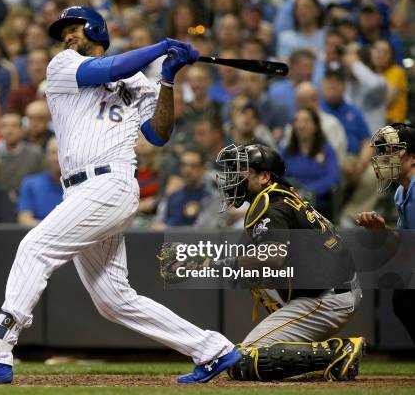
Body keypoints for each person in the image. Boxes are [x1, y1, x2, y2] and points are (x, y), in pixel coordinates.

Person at [0, 5, 238, 385]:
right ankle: (212, 349)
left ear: (96, 28)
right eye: (63, 30)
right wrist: (161, 46)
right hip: (82, 190)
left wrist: (167, 78)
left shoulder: (138, 82)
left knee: (35, 248)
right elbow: (108, 70)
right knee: (114, 300)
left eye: (74, 27)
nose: (67, 35)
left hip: (110, 182)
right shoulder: (62, 66)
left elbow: (158, 134)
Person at [161, 144, 365, 382]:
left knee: (243, 359)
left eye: (243, 171)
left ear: (265, 176)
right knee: (252, 272)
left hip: (327, 298)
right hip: (331, 288)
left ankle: (336, 351)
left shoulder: (271, 204)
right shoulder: (283, 196)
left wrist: (208, 265)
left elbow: (271, 257)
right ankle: (310, 347)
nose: (235, 177)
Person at [356, 122, 415, 342]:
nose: (384, 156)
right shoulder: (402, 192)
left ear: (413, 157)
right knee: (404, 300)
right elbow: (404, 246)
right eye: (382, 151)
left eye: (393, 150)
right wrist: (381, 231)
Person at [320, 63, 376, 224]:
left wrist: (361, 163)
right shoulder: (318, 110)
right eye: (329, 79)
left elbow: (367, 141)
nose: (333, 84)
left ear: (344, 85)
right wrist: (341, 163)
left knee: (376, 174)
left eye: (338, 80)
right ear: (323, 83)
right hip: (329, 160)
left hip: (355, 160)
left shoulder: (353, 110)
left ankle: (351, 215)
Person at [281, 107, 340, 218]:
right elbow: (278, 176)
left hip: (319, 205)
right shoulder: (286, 152)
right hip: (290, 202)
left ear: (316, 126)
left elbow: (333, 177)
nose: (301, 126)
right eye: (297, 121)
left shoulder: (327, 150)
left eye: (306, 121)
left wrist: (309, 191)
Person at [154, 149, 208, 228]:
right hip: (167, 239)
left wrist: (168, 229)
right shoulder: (172, 196)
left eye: (193, 166)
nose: (188, 170)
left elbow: (204, 229)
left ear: (203, 169)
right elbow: (158, 222)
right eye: (184, 165)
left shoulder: (210, 197)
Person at [17, 137, 63, 226]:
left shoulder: (80, 185)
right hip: (40, 237)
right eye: (52, 153)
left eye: (60, 152)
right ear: (46, 156)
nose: (56, 158)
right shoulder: (30, 184)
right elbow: (24, 219)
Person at [0, 113, 44, 193]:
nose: (9, 130)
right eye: (4, 126)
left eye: (14, 126)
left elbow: (42, 182)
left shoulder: (35, 154)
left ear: (22, 130)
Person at [370, 39, 408, 124]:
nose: (381, 55)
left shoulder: (396, 72)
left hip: (392, 126)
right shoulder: (368, 72)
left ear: (391, 56)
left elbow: (386, 101)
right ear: (370, 52)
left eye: (386, 52)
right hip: (372, 122)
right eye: (377, 50)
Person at [5, 49, 49, 116]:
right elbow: (10, 117)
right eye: (33, 63)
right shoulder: (18, 94)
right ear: (28, 68)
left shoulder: (60, 91)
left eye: (42, 62)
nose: (38, 67)